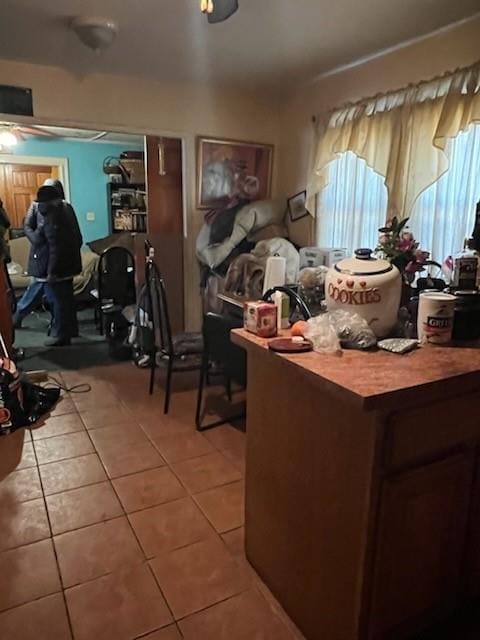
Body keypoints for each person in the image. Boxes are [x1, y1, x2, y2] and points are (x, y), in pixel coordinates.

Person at [13, 180, 82, 338]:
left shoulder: (66, 208)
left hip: (59, 262)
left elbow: (75, 236)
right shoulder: (36, 207)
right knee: (43, 293)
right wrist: (36, 238)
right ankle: (16, 318)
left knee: (62, 298)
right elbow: (27, 226)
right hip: (43, 259)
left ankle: (66, 330)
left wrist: (69, 255)